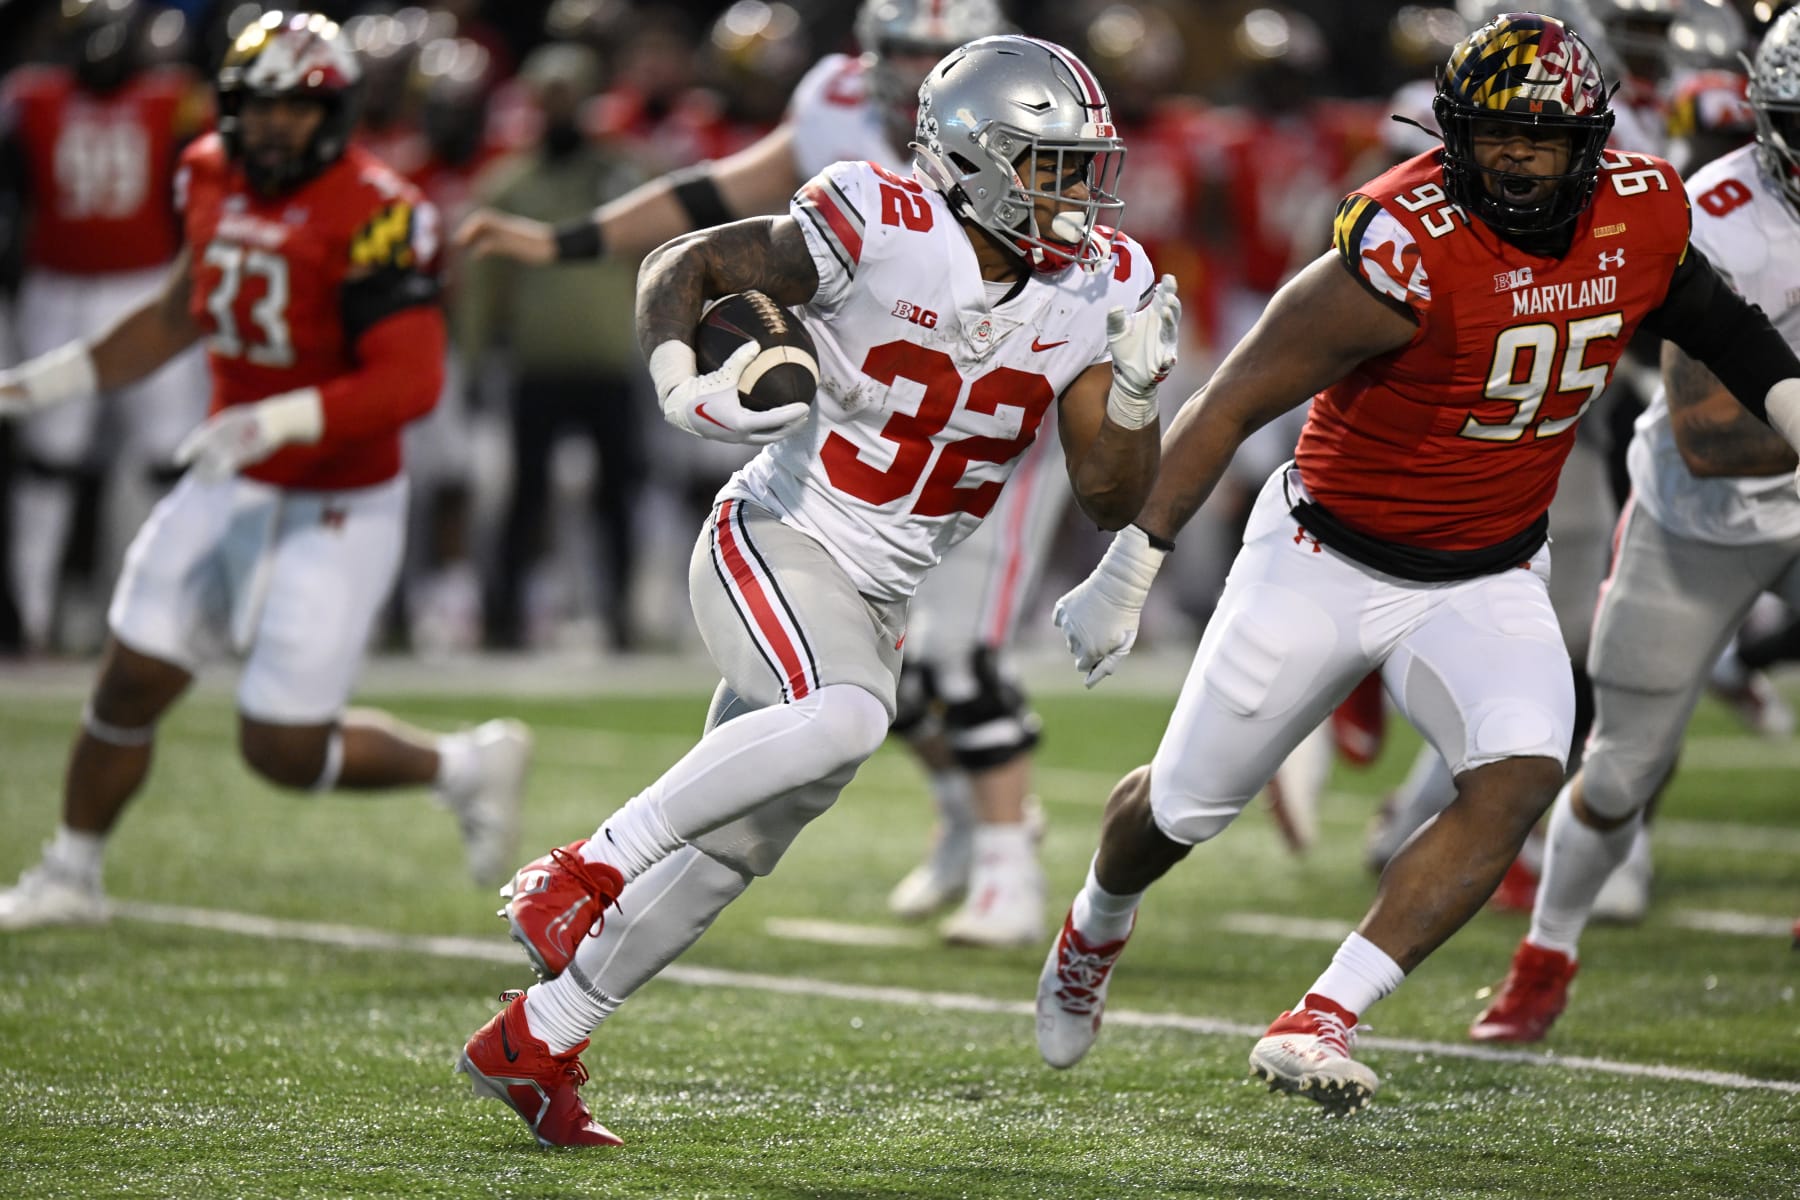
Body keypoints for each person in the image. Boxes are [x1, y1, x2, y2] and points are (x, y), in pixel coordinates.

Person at [1033, 12, 1800, 1113]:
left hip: (1488, 571)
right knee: (1185, 809)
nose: (1522, 158)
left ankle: (1324, 1013)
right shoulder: (1400, 242)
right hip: (1323, 559)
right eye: (1497, 136)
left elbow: (1732, 333)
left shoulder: (1641, 211)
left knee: (1526, 770)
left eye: (1545, 138)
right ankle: (1096, 923)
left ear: (1591, 140)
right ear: (1453, 134)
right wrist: (1131, 564)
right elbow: (1232, 402)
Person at [454, 34, 1179, 1148]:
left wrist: (1133, 394)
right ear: (976, 157)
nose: (1077, 191)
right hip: (779, 536)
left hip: (881, 591)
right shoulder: (878, 220)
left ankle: (538, 1036)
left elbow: (1106, 493)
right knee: (846, 718)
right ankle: (583, 865)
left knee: (740, 844)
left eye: (1082, 164)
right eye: (1049, 163)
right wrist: (679, 382)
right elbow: (684, 266)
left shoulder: (1102, 285)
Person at [457, 0, 1064, 949]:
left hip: (983, 428)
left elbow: (1060, 272)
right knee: (850, 689)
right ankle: (961, 824)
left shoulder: (1036, 162)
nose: (919, 68)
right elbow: (705, 207)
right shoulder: (837, 120)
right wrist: (562, 242)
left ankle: (1005, 861)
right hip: (852, 448)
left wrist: (1132, 552)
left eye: (938, 52)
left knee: (950, 662)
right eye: (903, 50)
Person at [0, 11, 530, 930]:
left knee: (281, 747)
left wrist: (275, 418)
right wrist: (36, 385)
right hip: (229, 478)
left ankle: (465, 766)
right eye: (258, 105)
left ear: (336, 109)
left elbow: (410, 381)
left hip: (338, 499)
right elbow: (176, 315)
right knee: (127, 679)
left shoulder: (380, 211)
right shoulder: (206, 169)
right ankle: (70, 872)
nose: (275, 125)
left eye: (297, 106)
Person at [1469, 7, 1800, 1043]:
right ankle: (1547, 955)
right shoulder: (1717, 213)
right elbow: (1709, 432)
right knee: (1619, 769)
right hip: (1704, 514)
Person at [1, 0, 212, 653]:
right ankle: (31, 611)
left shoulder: (173, 100)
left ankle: (159, 615)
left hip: (144, 286)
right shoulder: (30, 98)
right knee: (50, 460)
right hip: (57, 287)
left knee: (166, 458)